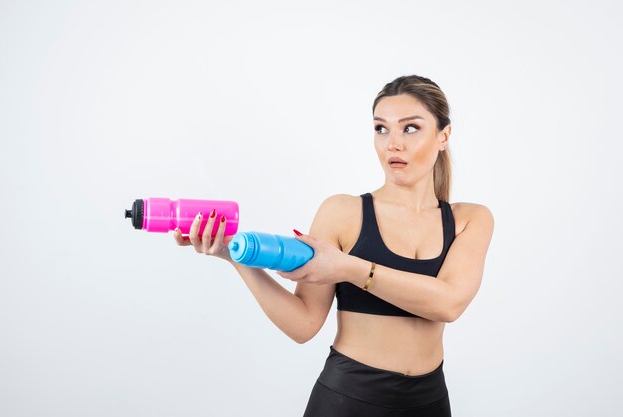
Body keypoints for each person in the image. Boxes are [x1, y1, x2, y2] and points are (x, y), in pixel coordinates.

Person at [173, 74, 494, 416]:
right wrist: (232, 255)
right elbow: (303, 324)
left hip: (429, 402)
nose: (392, 144)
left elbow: (448, 304)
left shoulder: (469, 219)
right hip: (348, 398)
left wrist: (347, 267)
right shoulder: (343, 213)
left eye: (410, 128)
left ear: (444, 135)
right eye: (381, 128)